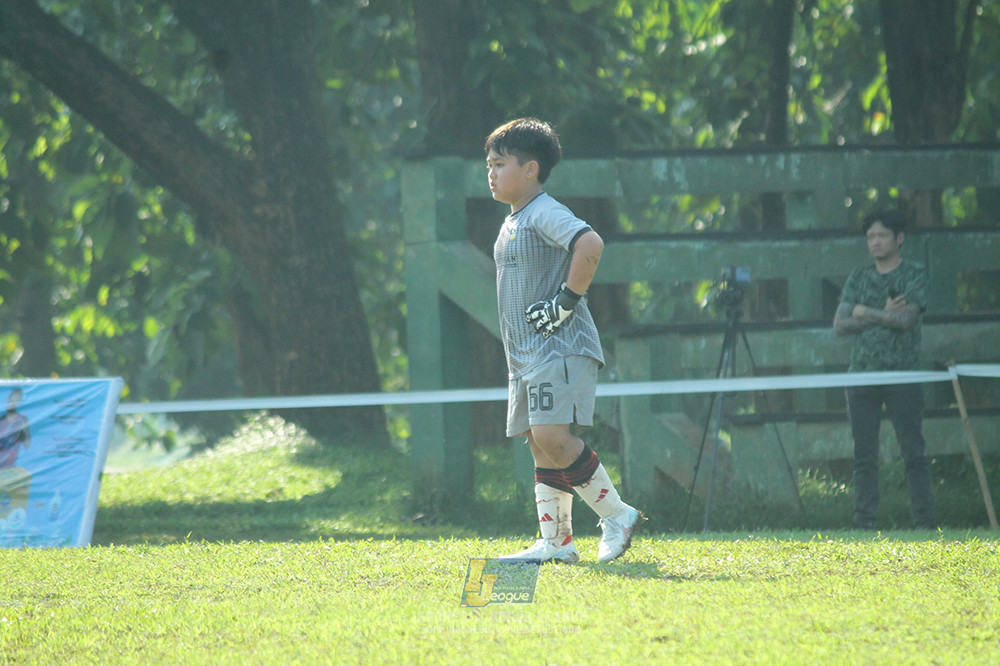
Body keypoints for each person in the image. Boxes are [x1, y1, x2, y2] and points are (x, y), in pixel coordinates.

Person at [485, 117, 642, 563]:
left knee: (552, 436)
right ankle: (557, 544)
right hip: (526, 357)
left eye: (500, 164)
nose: (491, 173)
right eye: (489, 165)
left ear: (530, 169)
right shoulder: (513, 220)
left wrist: (565, 302)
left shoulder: (544, 211)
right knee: (540, 443)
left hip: (560, 348)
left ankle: (617, 515)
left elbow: (590, 244)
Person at [834, 208, 935, 530]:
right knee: (864, 456)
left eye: (881, 236)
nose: (875, 242)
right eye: (870, 237)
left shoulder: (914, 274)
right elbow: (839, 325)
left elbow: (906, 321)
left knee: (914, 454)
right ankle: (863, 524)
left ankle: (925, 524)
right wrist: (881, 313)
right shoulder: (858, 277)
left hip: (904, 375)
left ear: (899, 238)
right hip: (861, 374)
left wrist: (864, 312)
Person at [0, 388, 31, 470]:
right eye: (11, 400)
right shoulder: (1, 420)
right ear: (8, 399)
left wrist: (25, 432)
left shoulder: (23, 420)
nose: (12, 403)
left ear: (19, 402)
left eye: (16, 400)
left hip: (11, 467)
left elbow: (27, 446)